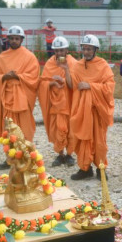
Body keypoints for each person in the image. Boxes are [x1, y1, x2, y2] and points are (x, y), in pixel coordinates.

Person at [0, 25, 40, 170]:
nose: (14, 41)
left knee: (24, 129)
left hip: (22, 99)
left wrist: (17, 76)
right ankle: (10, 159)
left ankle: (26, 156)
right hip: (7, 98)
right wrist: (5, 76)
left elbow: (34, 77)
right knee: (8, 129)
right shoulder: (2, 57)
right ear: (8, 39)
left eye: (17, 38)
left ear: (22, 40)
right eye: (11, 38)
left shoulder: (29, 57)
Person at [68, 34, 115, 180]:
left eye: (89, 49)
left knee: (99, 142)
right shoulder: (77, 66)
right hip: (82, 110)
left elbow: (110, 87)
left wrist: (90, 86)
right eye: (84, 49)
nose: (86, 52)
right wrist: (64, 70)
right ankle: (84, 168)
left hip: (97, 110)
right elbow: (74, 87)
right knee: (82, 139)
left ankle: (101, 169)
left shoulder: (103, 65)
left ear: (95, 50)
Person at [38, 36, 77, 167]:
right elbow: (43, 82)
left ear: (67, 50)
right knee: (57, 129)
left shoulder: (73, 63)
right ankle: (60, 155)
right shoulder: (50, 63)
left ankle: (70, 154)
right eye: (56, 51)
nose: (59, 53)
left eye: (61, 50)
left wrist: (65, 71)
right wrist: (52, 83)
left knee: (70, 130)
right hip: (55, 103)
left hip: (69, 102)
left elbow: (74, 85)